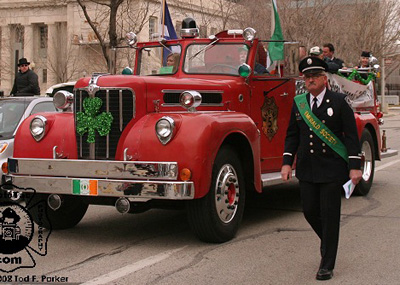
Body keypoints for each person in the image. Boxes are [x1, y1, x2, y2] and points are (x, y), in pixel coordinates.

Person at [281, 56, 362, 281]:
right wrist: (287, 162)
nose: (311, 80)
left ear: (324, 79)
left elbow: (352, 137)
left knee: (330, 216)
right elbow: (292, 135)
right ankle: (329, 242)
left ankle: (326, 264)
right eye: (307, 77)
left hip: (332, 169)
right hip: (307, 168)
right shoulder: (299, 103)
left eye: (315, 76)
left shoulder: (339, 101)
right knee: (309, 211)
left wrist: (354, 167)